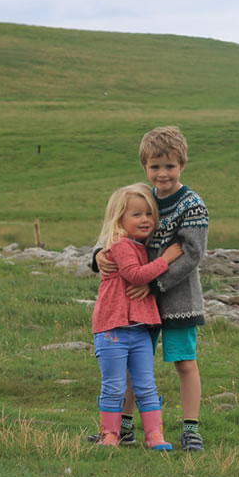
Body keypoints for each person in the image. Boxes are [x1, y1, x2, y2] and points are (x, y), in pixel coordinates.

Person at [93, 126, 210, 452]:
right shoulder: (142, 199)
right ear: (145, 166)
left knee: (184, 362)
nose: (163, 173)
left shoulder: (192, 204)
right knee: (133, 362)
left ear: (182, 165)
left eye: (170, 166)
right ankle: (124, 427)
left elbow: (192, 255)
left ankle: (191, 429)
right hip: (138, 305)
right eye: (155, 166)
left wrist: (154, 283)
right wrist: (98, 256)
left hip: (178, 300)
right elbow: (117, 232)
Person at [92, 183, 183, 449]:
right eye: (137, 214)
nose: (145, 220)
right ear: (119, 218)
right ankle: (110, 434)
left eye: (149, 214)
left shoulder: (141, 246)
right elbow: (135, 275)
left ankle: (155, 435)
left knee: (146, 385)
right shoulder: (120, 245)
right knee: (114, 385)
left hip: (140, 330)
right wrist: (166, 259)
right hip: (112, 329)